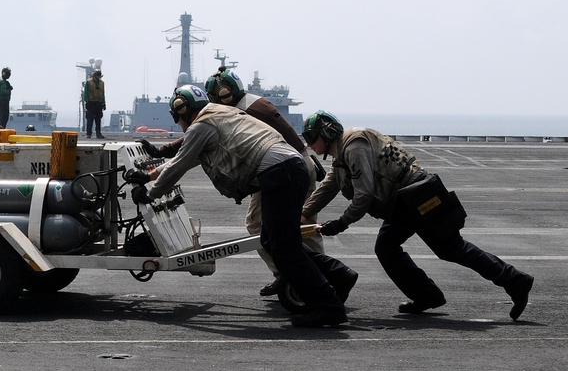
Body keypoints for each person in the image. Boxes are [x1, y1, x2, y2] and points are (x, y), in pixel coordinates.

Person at [133, 85, 353, 328]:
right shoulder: (219, 114)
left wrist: (148, 193)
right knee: (273, 240)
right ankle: (339, 276)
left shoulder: (201, 126)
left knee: (283, 248)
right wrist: (149, 176)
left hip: (278, 174)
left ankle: (328, 307)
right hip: (289, 168)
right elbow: (187, 159)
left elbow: (179, 164)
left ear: (182, 112)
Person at [301, 110, 535, 320]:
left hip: (416, 196)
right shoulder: (343, 152)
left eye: (311, 137)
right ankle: (431, 295)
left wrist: (340, 224)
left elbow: (364, 195)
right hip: (406, 198)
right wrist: (304, 214)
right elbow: (329, 185)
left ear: (327, 133)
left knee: (447, 248)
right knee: (404, 248)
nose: (309, 143)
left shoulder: (353, 148)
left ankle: (513, 280)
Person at [142, 67, 326, 297]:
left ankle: (296, 278)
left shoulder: (230, 112)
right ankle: (313, 277)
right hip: (294, 164)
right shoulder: (252, 104)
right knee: (293, 228)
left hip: (278, 169)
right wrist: (158, 164)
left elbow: (192, 145)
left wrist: (152, 187)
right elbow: (195, 148)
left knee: (269, 231)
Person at [82, 69, 106, 139]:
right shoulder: (88, 82)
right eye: (97, 75)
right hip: (91, 102)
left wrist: (104, 103)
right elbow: (86, 93)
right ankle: (88, 133)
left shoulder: (102, 83)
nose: (98, 77)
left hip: (99, 103)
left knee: (98, 119)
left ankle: (98, 133)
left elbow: (103, 93)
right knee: (90, 119)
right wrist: (86, 102)